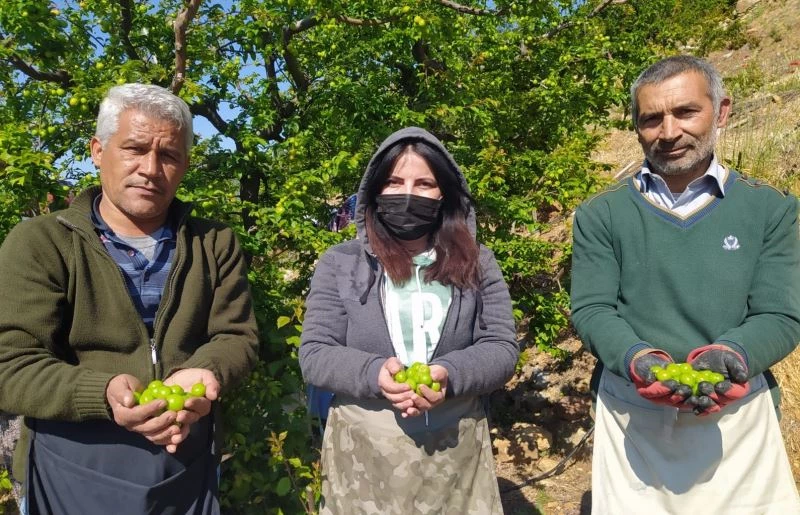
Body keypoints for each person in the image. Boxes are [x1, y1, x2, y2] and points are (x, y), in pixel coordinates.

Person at [0, 83, 259, 514]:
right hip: (72, 460)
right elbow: (9, 363)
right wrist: (103, 393)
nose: (151, 168)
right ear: (98, 151)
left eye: (169, 154)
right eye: (134, 149)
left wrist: (206, 371)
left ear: (186, 164)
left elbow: (239, 337)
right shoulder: (41, 242)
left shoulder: (214, 243)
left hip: (185, 462)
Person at [570, 55, 800, 513]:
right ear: (636, 127)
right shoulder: (601, 214)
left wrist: (733, 356)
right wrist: (639, 360)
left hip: (739, 417)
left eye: (685, 112)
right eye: (651, 118)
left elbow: (781, 313)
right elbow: (593, 310)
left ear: (722, 111)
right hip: (633, 414)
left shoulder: (772, 210)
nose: (669, 131)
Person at [299, 127, 518, 513]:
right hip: (365, 450)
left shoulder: (477, 261)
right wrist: (372, 372)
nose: (408, 194)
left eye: (425, 184)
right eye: (395, 181)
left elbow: (500, 347)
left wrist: (450, 373)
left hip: (455, 448)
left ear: (444, 194)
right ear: (375, 192)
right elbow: (315, 353)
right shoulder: (342, 262)